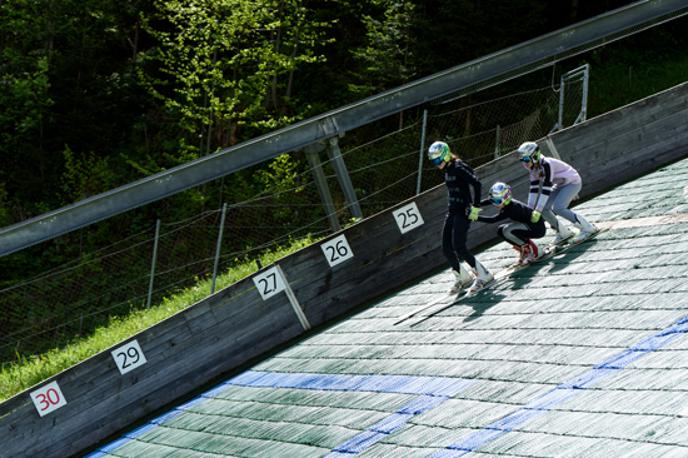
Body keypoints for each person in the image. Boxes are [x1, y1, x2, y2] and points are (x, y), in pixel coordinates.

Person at [427, 140, 493, 294]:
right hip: (452, 210)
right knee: (446, 246)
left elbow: (476, 183)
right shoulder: (447, 168)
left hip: (464, 210)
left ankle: (484, 275)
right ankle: (462, 277)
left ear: (445, 155)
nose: (436, 164)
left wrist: (476, 207)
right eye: (433, 161)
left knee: (459, 246)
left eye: (437, 160)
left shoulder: (457, 167)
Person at [516, 141, 598, 244]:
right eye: (522, 160)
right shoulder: (533, 169)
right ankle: (563, 233)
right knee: (544, 208)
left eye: (526, 159)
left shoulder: (546, 164)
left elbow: (546, 188)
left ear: (535, 156)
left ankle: (588, 228)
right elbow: (533, 189)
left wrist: (537, 209)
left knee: (558, 208)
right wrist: (530, 210)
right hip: (560, 185)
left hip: (572, 183)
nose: (524, 163)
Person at [475, 182, 547, 265]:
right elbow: (489, 201)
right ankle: (524, 250)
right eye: (493, 200)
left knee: (507, 230)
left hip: (537, 228)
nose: (494, 203)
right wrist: (474, 204)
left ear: (505, 198)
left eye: (497, 201)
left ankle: (534, 251)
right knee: (500, 230)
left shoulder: (511, 208)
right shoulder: (506, 203)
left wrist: (475, 217)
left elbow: (492, 220)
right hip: (529, 226)